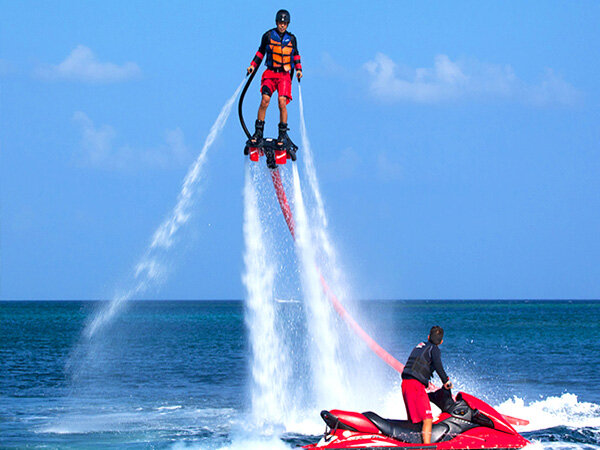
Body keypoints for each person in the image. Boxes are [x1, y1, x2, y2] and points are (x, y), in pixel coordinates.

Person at [246, 9, 302, 147]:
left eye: (285, 23)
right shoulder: (268, 36)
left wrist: (299, 70)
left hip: (284, 75)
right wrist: (252, 65)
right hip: (270, 74)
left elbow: (296, 56)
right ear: (276, 22)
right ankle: (258, 133)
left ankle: (282, 134)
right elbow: (260, 52)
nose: (282, 25)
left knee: (282, 102)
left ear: (288, 24)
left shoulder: (292, 39)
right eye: (280, 23)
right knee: (265, 100)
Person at [401, 326, 453, 444]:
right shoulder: (434, 349)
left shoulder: (419, 346)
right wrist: (446, 382)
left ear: (428, 337)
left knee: (414, 421)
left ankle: (412, 443)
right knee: (428, 419)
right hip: (415, 386)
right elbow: (439, 366)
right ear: (441, 341)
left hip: (405, 384)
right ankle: (427, 446)